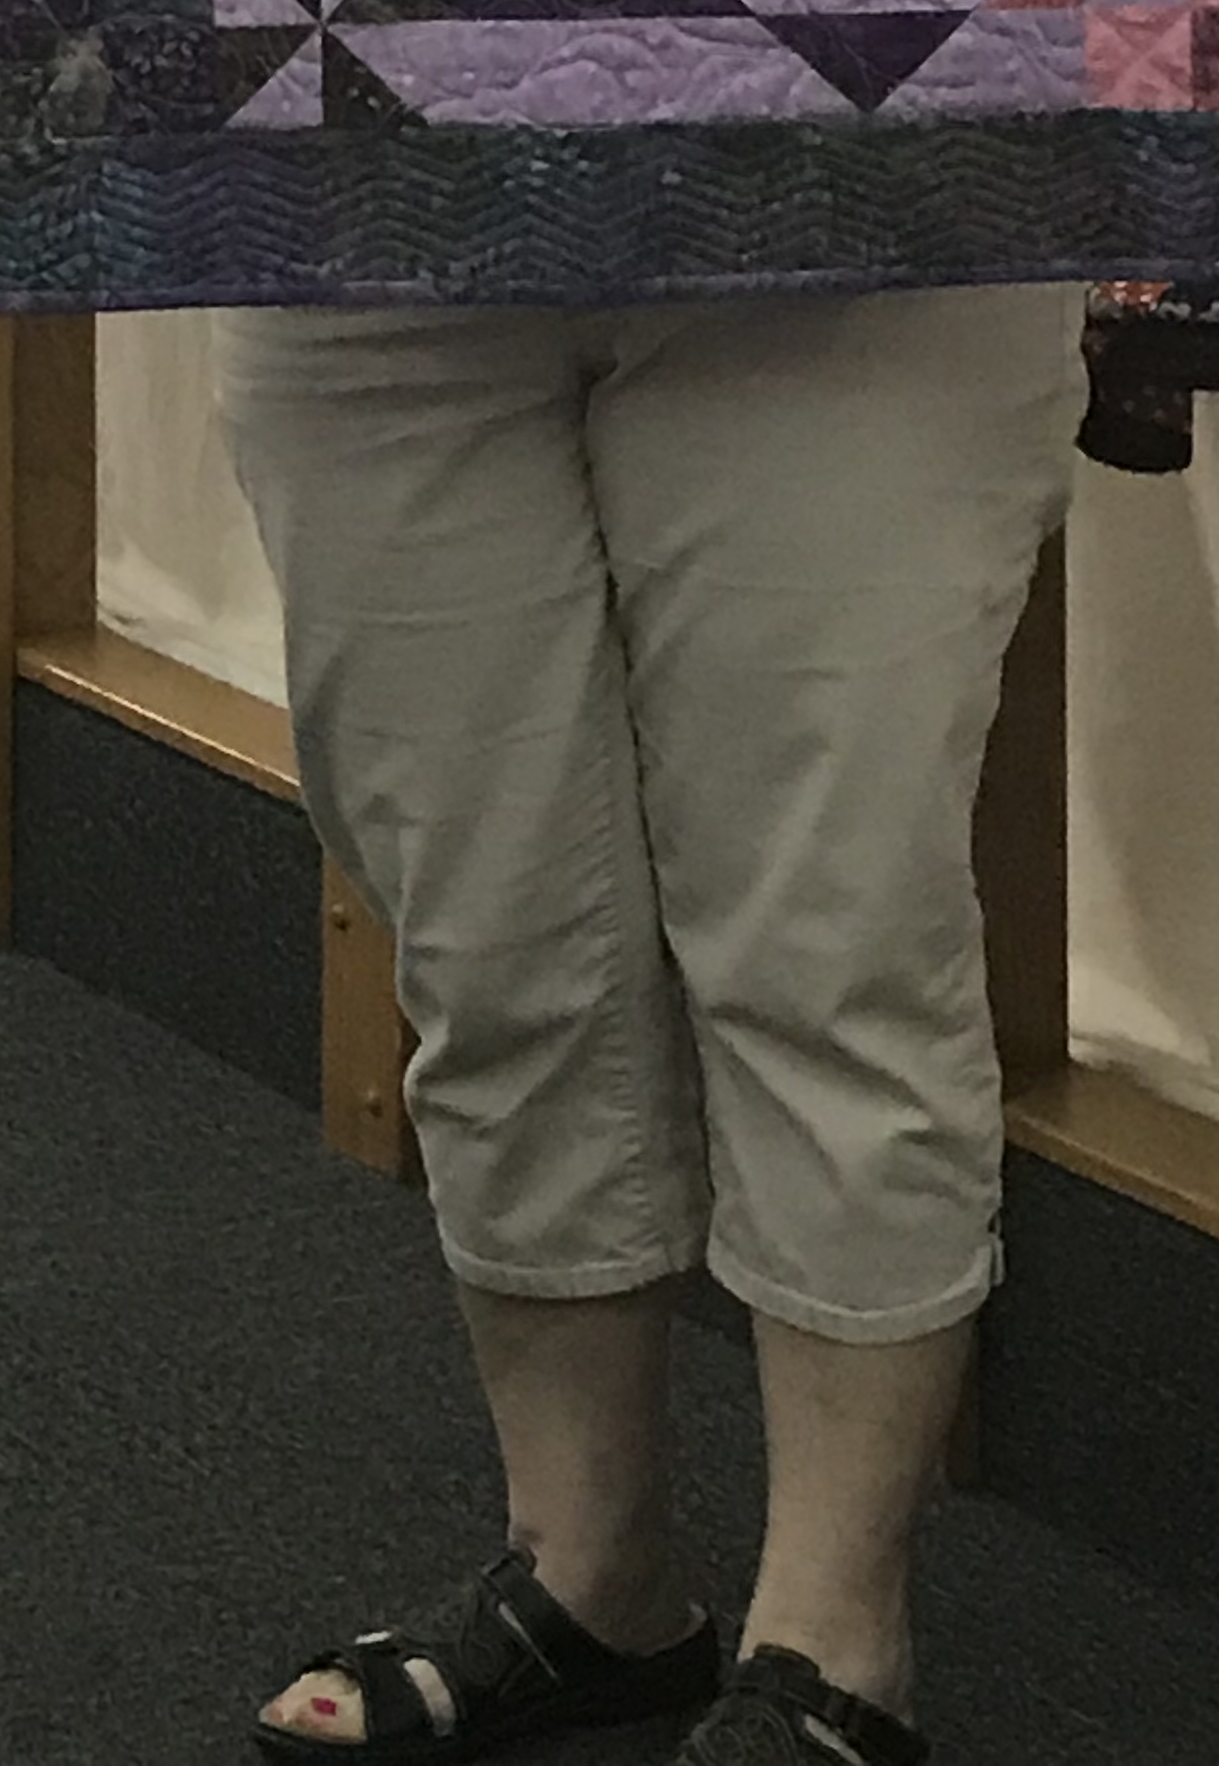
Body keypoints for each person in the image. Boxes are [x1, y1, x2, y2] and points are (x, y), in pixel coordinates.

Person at [217, 281, 1087, 1766]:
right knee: (492, 949)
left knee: (830, 951)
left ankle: (835, 1647)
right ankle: (588, 1583)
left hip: (861, 234)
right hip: (363, 229)